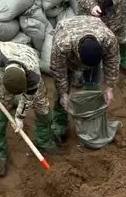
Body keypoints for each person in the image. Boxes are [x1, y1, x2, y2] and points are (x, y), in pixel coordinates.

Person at [0, 38, 55, 177]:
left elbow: (27, 98)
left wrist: (19, 117)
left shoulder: (33, 76)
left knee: (42, 106)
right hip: (6, 67)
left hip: (27, 63)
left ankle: (44, 141)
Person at [49, 16, 120, 144]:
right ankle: (60, 125)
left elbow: (113, 61)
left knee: (93, 86)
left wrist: (110, 87)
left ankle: (92, 123)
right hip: (67, 31)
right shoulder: (62, 45)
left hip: (94, 27)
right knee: (61, 95)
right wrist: (63, 93)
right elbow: (58, 71)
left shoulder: (108, 39)